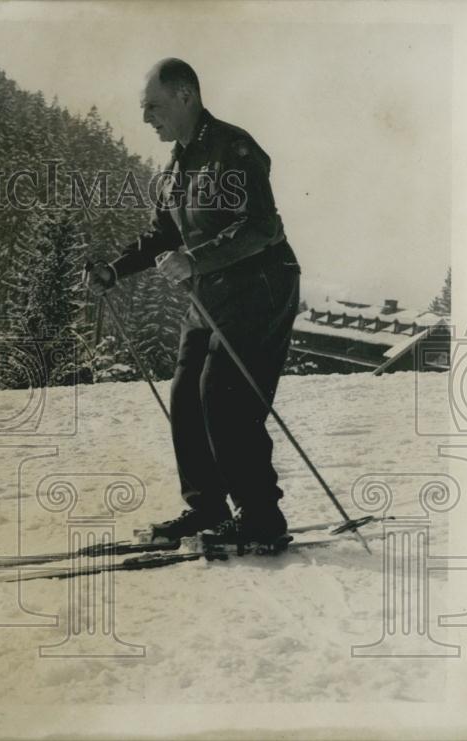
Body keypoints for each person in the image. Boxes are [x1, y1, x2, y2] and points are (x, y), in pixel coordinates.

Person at [86, 58, 301, 546]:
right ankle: (206, 508)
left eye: (153, 107)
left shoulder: (234, 149)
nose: (146, 119)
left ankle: (261, 516)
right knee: (185, 395)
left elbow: (263, 227)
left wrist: (195, 259)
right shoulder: (176, 166)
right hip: (210, 291)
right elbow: (163, 234)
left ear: (186, 96)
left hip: (260, 284)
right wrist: (113, 270)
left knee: (223, 394)